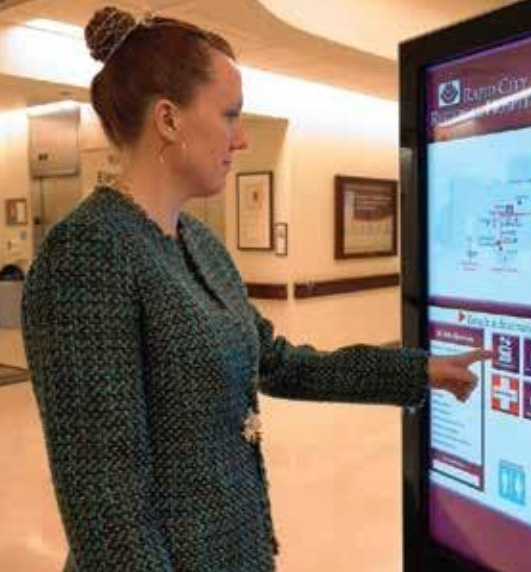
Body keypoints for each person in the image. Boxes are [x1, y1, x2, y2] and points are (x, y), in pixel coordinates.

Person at [21, 6, 490, 572]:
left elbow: (277, 362)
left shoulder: (199, 242)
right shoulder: (87, 254)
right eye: (230, 114)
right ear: (168, 120)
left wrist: (418, 371)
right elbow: (106, 508)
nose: (242, 138)